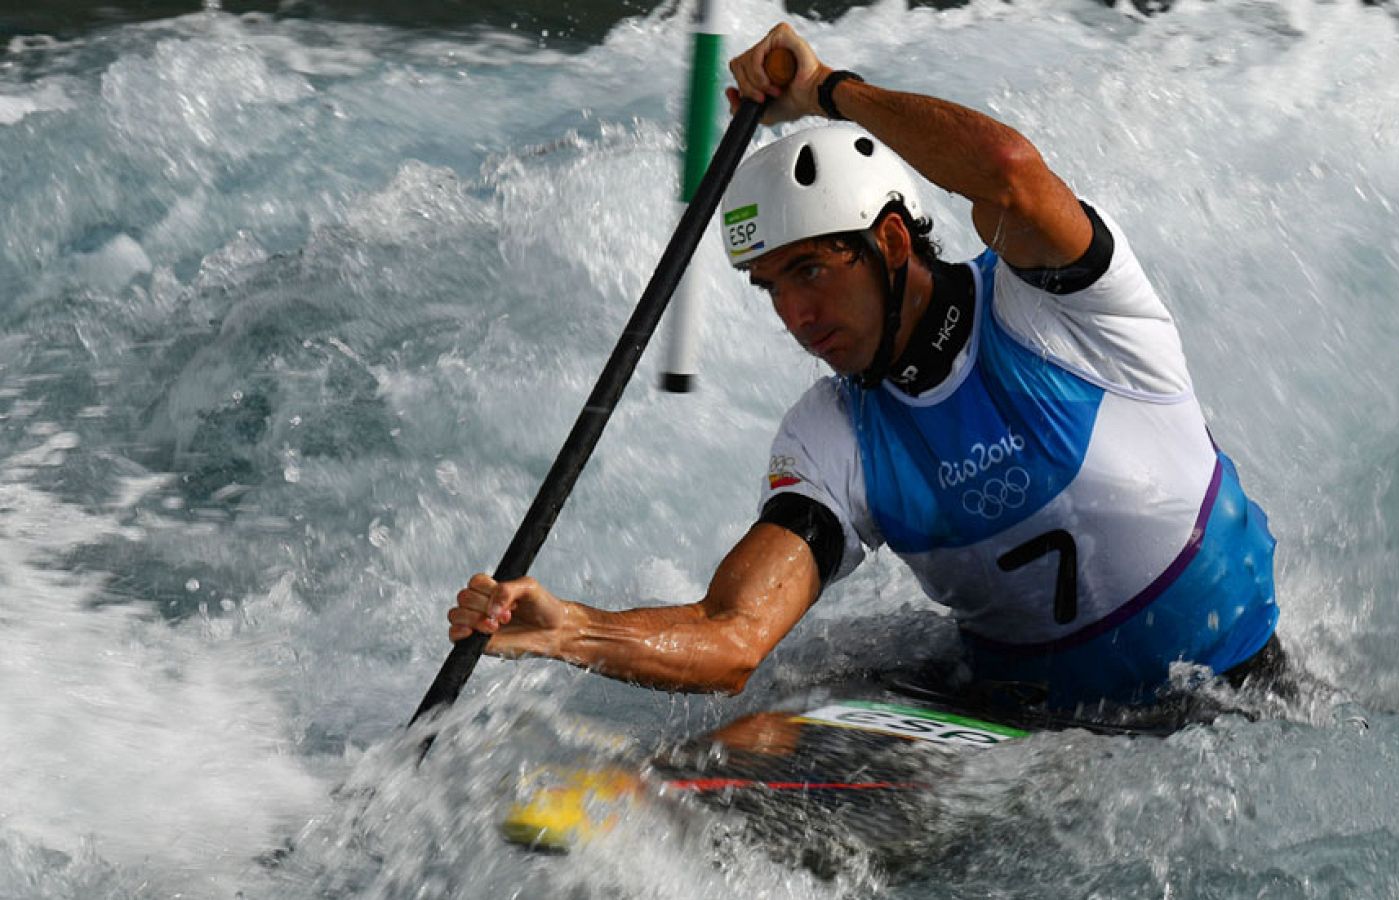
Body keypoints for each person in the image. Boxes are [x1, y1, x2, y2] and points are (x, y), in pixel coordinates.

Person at [448, 23, 1283, 713]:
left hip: (1233, 688)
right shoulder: (831, 431)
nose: (793, 315)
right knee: (744, 757)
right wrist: (571, 630)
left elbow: (1010, 175)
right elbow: (733, 636)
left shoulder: (1054, 305)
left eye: (810, 271)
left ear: (888, 243)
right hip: (1026, 718)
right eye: (769, 286)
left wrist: (827, 91)